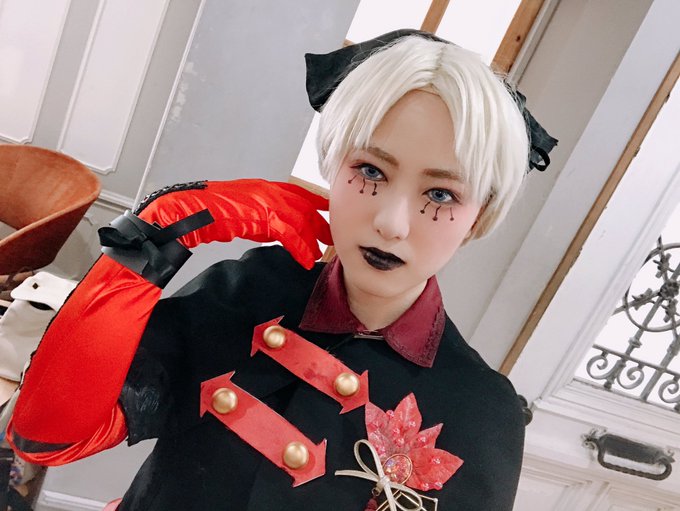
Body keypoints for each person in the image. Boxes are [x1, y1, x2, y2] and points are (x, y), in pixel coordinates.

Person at [6, 29, 556, 510]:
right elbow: (47, 435)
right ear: (334, 164)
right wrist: (151, 240)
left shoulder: (479, 411)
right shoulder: (251, 290)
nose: (391, 223)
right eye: (370, 170)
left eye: (440, 194)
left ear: (479, 215)